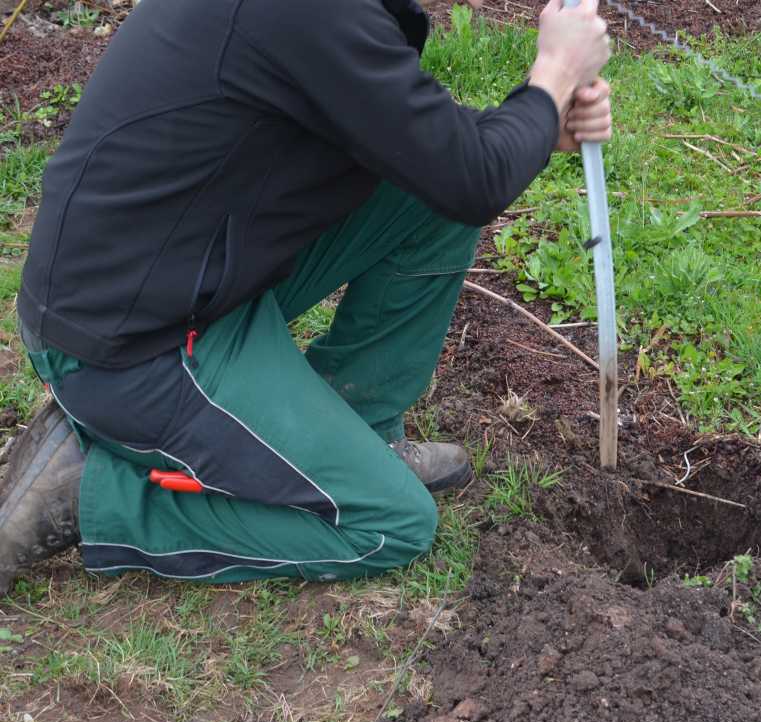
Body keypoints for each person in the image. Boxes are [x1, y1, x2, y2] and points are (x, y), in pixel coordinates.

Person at [0, 0, 612, 593]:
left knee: (431, 199)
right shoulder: (307, 11)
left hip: (182, 277)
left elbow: (445, 164)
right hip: (130, 347)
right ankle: (95, 495)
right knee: (390, 523)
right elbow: (475, 178)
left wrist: (535, 124)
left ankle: (358, 430)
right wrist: (553, 74)